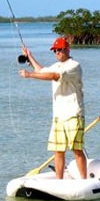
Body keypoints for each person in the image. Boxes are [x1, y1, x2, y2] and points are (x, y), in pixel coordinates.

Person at [19, 37, 88, 179]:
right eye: (55, 51)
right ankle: (59, 179)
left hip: (74, 114)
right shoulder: (56, 65)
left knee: (77, 149)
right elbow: (42, 70)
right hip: (59, 115)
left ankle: (84, 179)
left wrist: (30, 75)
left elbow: (54, 76)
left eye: (59, 50)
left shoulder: (74, 65)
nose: (57, 53)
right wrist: (29, 57)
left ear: (67, 50)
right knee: (58, 150)